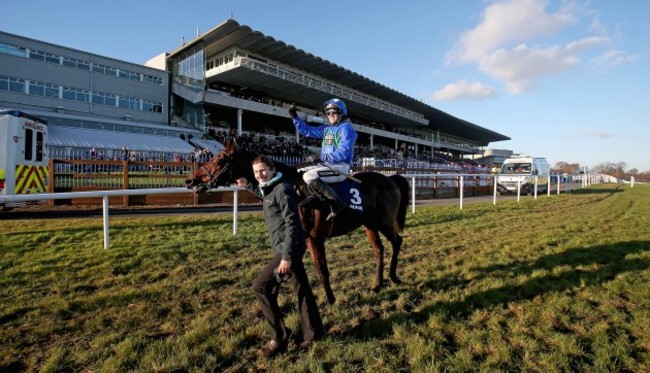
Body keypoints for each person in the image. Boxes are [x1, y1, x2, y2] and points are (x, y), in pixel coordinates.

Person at [235, 155, 324, 357]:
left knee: (261, 287)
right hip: (286, 248)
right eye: (256, 172)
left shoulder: (283, 189)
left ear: (273, 169)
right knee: (301, 288)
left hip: (288, 249)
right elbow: (266, 195)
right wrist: (248, 185)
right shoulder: (271, 187)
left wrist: (286, 257)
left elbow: (293, 225)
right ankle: (313, 333)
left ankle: (279, 338)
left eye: (263, 171)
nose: (260, 175)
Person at [289, 98, 358, 220]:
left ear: (342, 113)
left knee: (309, 176)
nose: (330, 115)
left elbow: (342, 153)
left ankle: (337, 203)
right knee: (299, 173)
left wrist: (321, 156)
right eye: (328, 113)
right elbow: (308, 131)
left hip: (340, 166)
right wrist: (295, 117)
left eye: (334, 112)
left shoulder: (346, 129)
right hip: (326, 165)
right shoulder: (327, 129)